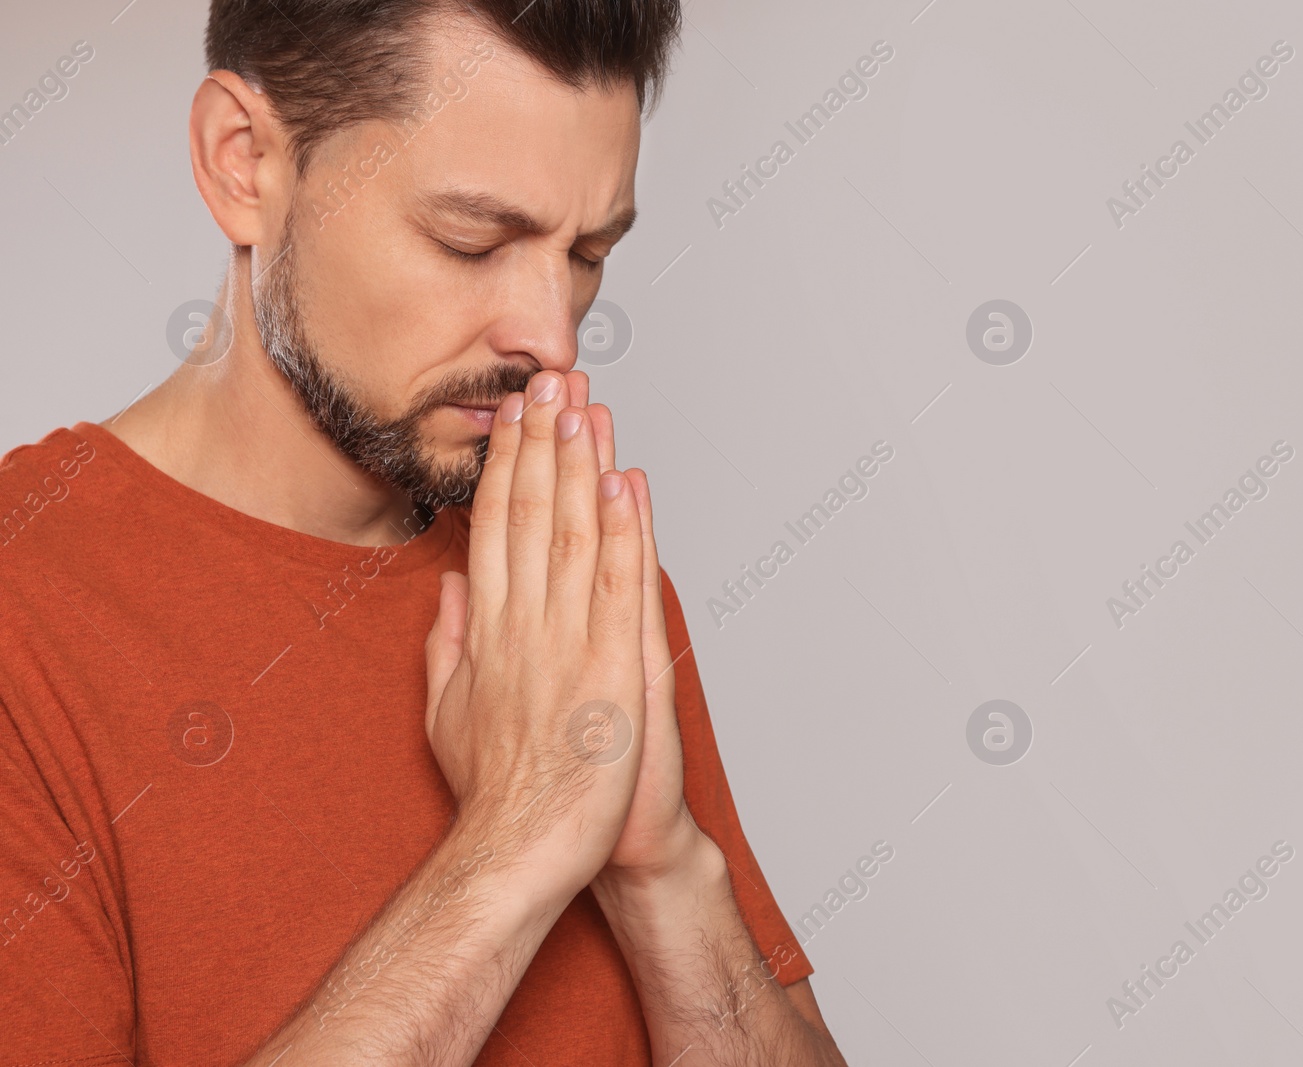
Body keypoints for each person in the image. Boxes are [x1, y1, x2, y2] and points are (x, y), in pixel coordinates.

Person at [0, 2, 846, 1065]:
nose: (551, 331)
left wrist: (660, 866)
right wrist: (516, 841)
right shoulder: (27, 619)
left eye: (587, 251)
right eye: (472, 239)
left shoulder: (566, 568)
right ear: (243, 162)